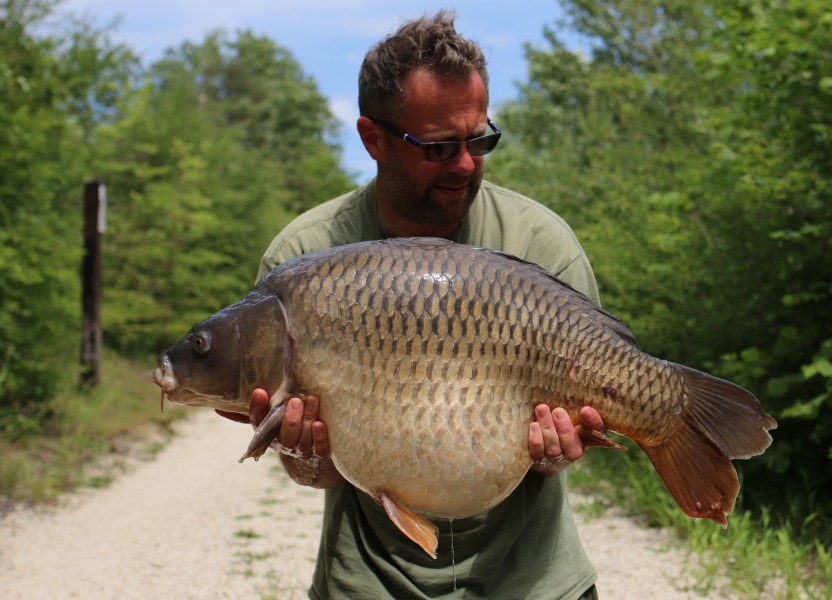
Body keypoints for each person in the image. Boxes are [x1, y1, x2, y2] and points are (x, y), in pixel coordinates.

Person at [220, 10, 604, 599]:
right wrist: (302, 452)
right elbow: (313, 472)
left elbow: (564, 448)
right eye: (440, 147)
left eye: (480, 140)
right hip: (367, 583)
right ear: (373, 139)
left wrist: (557, 451)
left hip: (534, 583)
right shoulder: (304, 257)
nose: (467, 164)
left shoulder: (542, 244)